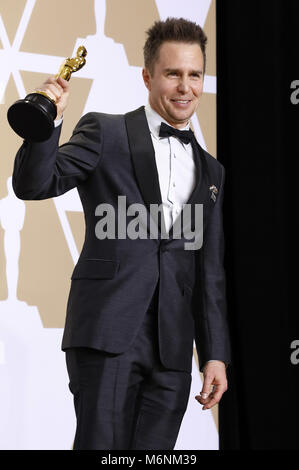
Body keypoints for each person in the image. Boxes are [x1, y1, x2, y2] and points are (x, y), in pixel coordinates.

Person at [11, 17, 231, 450]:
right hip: (108, 332)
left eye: (194, 75)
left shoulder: (212, 171)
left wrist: (215, 353)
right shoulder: (106, 132)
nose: (186, 87)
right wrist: (47, 126)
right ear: (148, 76)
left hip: (171, 349)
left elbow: (210, 273)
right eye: (173, 74)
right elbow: (34, 185)